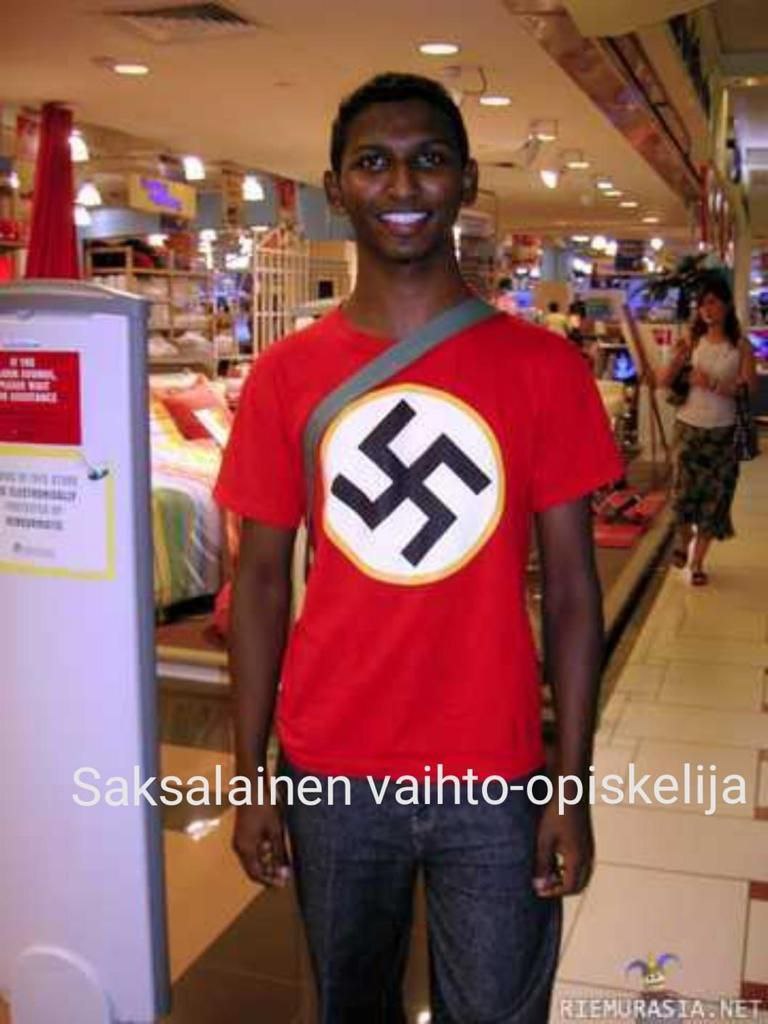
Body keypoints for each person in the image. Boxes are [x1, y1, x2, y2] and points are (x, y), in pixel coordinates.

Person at [215, 72, 623, 1022]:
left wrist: (570, 786)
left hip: (495, 767)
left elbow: (573, 592)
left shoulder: (543, 368)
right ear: (335, 186)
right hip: (331, 766)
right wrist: (252, 778)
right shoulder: (286, 377)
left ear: (466, 180)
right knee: (350, 1007)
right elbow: (261, 583)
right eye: (374, 163)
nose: (402, 186)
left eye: (428, 160)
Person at [658, 276, 757, 585]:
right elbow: (663, 381)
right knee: (681, 496)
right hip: (688, 427)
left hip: (723, 434)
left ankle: (698, 563)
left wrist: (712, 383)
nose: (706, 309)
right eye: (702, 303)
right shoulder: (692, 340)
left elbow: (749, 390)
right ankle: (683, 539)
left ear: (726, 305)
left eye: (712, 302)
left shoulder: (740, 346)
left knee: (715, 500)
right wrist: (677, 359)